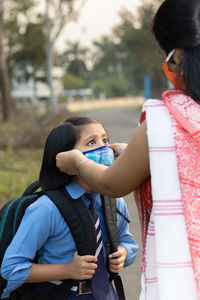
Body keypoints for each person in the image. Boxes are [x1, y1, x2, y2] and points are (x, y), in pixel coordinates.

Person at [55, 1, 200, 300]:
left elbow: (112, 183)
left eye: (165, 57)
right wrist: (135, 152)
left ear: (179, 57)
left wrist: (78, 163)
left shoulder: (165, 122)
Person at [0, 116, 138, 300]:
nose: (104, 148)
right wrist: (67, 270)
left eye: (105, 140)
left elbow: (127, 241)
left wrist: (123, 252)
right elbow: (11, 268)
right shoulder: (47, 209)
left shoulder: (113, 200)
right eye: (91, 142)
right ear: (65, 159)